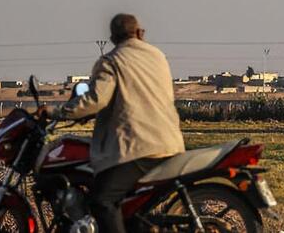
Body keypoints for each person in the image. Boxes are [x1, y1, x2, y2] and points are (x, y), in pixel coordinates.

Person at [49, 13, 185, 232]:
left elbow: (96, 99)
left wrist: (57, 112)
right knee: (126, 208)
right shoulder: (157, 55)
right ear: (140, 33)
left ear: (112, 38)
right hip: (171, 143)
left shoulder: (111, 61)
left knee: (101, 201)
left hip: (141, 148)